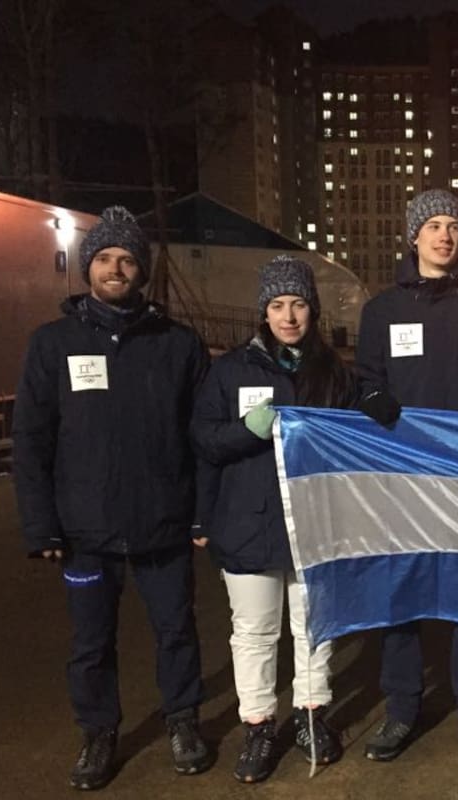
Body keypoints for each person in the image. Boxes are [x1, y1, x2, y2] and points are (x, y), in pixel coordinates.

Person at [12, 207, 213, 790]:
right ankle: (99, 732)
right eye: (104, 258)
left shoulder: (177, 344)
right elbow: (31, 439)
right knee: (91, 642)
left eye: (127, 259)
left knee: (177, 631)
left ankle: (183, 721)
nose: (116, 268)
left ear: (142, 270)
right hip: (84, 530)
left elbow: (201, 435)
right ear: (87, 268)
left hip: (164, 524)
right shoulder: (52, 344)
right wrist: (41, 525)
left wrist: (200, 511)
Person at [355, 189, 458, 761]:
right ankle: (402, 708)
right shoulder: (382, 311)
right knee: (403, 594)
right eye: (433, 226)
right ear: (413, 237)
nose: (444, 235)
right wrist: (373, 396)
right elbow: (365, 377)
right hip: (402, 479)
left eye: (453, 225)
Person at [191, 256, 353, 782]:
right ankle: (258, 725)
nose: (289, 316)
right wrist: (248, 429)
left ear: (313, 310)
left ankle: (311, 713)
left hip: (314, 523)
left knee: (313, 627)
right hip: (247, 521)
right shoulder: (231, 370)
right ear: (263, 311)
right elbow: (205, 440)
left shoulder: (332, 372)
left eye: (299, 304)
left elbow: (354, 445)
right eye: (278, 305)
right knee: (255, 633)